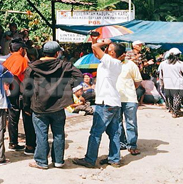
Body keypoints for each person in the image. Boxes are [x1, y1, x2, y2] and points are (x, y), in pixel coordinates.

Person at [23, 41, 83, 169]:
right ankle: (58, 161)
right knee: (59, 134)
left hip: (39, 106)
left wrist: (26, 106)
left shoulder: (33, 67)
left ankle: (41, 161)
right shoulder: (64, 65)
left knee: (41, 135)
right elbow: (79, 76)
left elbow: (26, 88)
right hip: (58, 105)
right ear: (57, 53)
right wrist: (66, 86)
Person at [73, 38, 126, 168]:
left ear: (112, 52)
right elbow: (95, 51)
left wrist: (104, 42)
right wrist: (95, 40)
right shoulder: (113, 62)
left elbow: (96, 48)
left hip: (105, 102)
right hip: (113, 102)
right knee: (114, 132)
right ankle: (114, 159)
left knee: (95, 132)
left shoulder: (111, 62)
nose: (106, 49)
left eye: (109, 48)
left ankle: (90, 159)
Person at [2, 40, 36, 155]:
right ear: (21, 49)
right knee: (27, 117)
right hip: (20, 93)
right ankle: (30, 146)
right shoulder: (20, 59)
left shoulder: (8, 59)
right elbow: (14, 75)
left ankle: (13, 143)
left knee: (12, 118)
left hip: (11, 92)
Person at [158, 48, 183, 118]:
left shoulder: (162, 64)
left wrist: (161, 84)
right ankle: (175, 112)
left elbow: (160, 75)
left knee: (170, 100)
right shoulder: (181, 64)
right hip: (179, 85)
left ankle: (173, 111)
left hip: (167, 85)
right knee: (177, 100)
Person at [116, 56, 142, 155]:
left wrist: (129, 89)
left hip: (130, 98)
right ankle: (122, 143)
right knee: (117, 122)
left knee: (131, 122)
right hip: (115, 99)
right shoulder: (111, 64)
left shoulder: (130, 65)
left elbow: (137, 81)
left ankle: (132, 145)